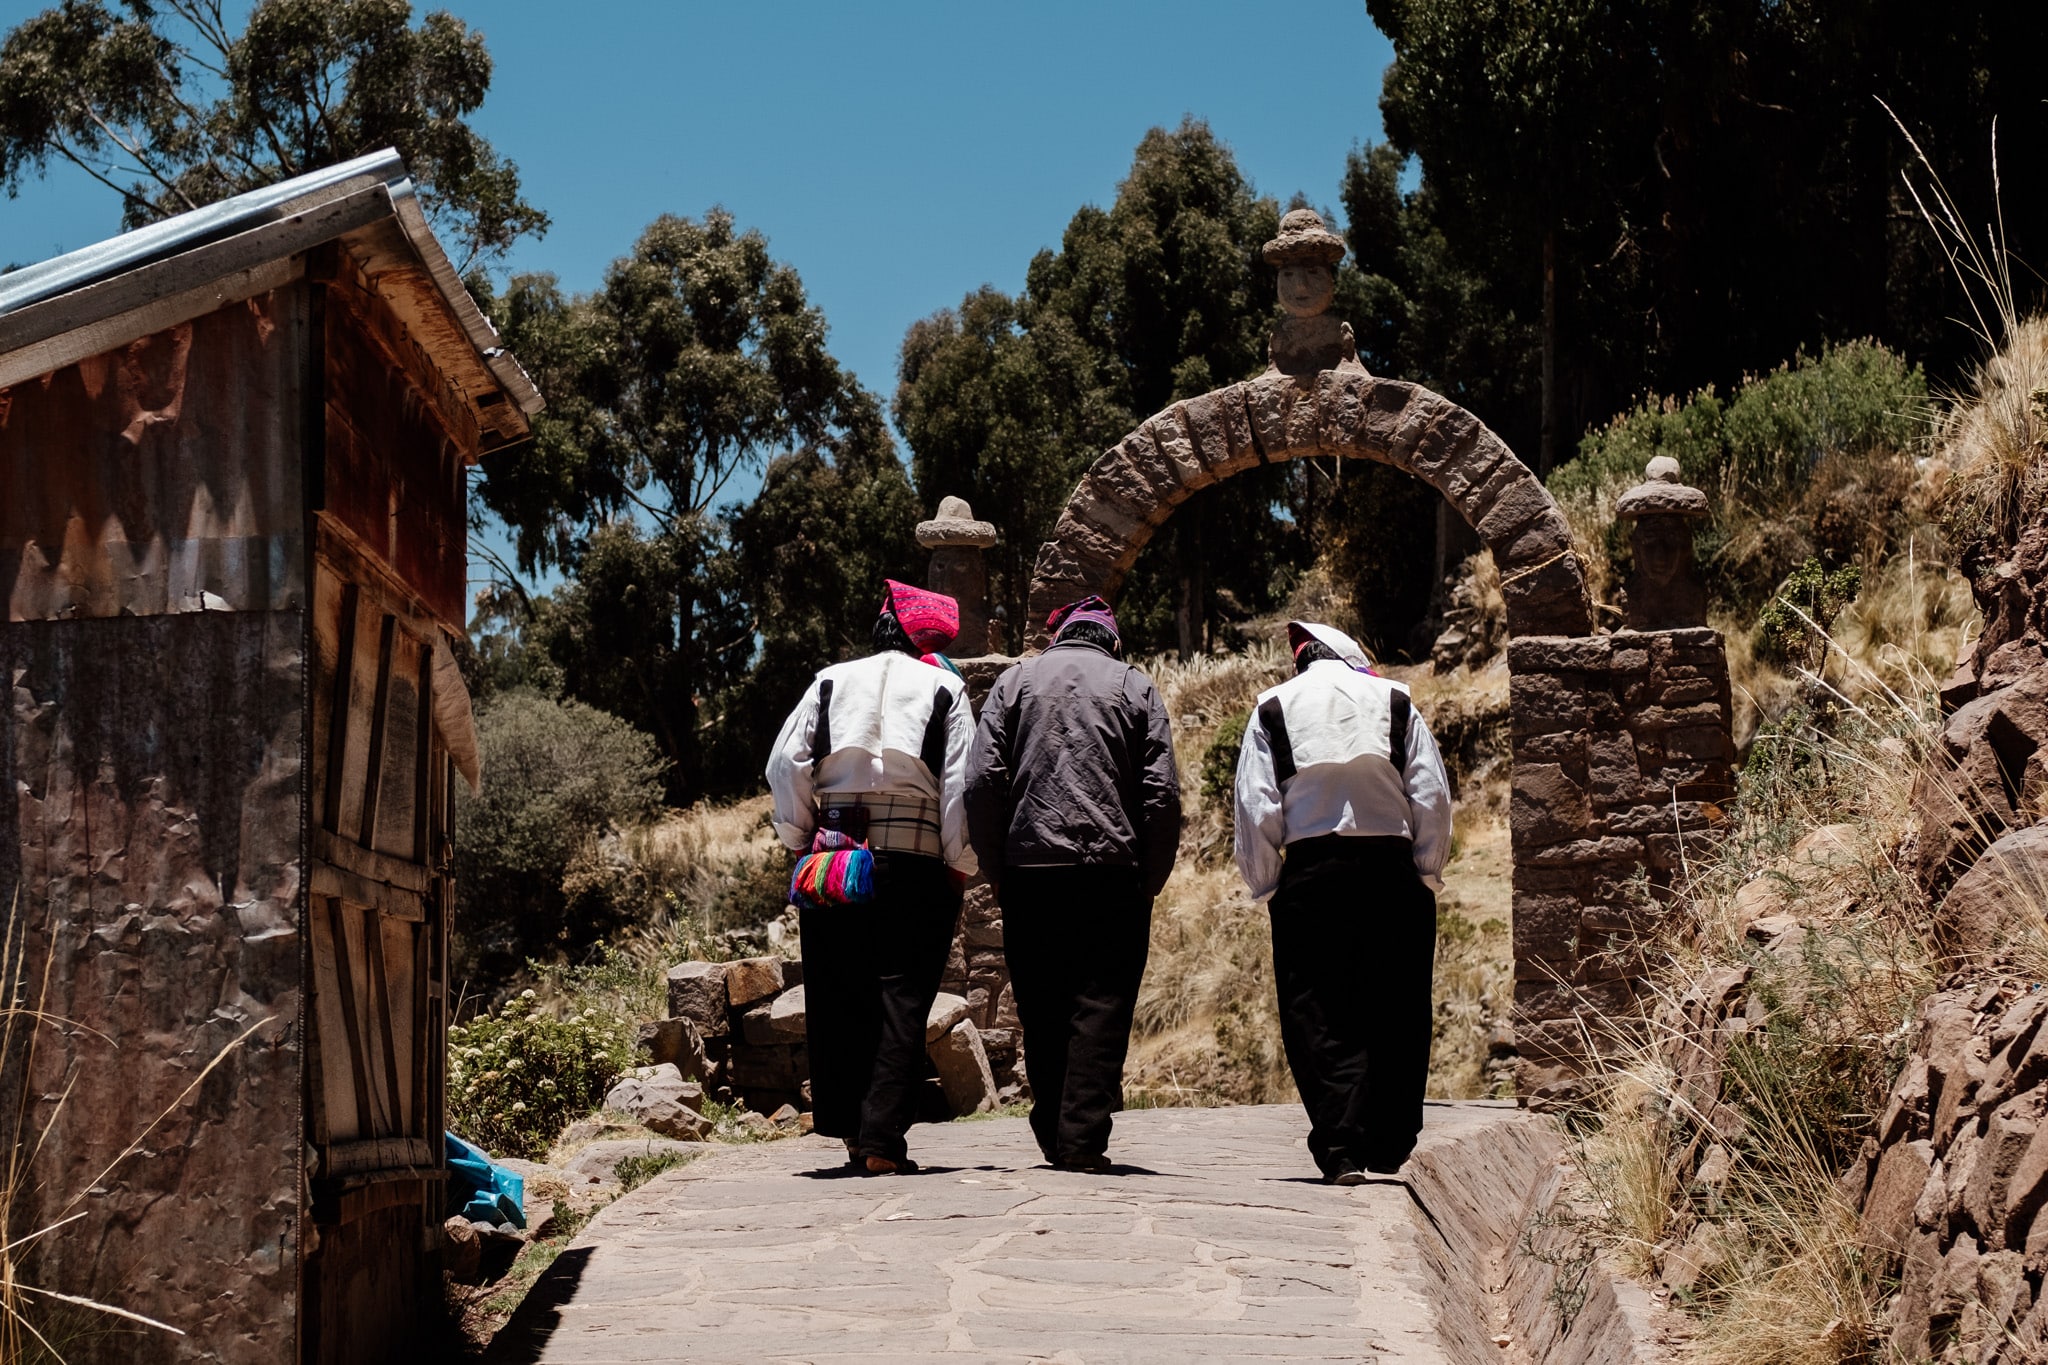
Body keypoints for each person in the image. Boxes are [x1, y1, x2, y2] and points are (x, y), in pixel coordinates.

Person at [766, 580, 978, 1175]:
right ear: (925, 638)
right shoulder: (946, 688)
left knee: (838, 992)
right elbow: (962, 783)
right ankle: (882, 1138)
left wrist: (801, 835)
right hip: (913, 864)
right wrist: (958, 860)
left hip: (833, 858)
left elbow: (785, 763)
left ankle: (853, 1133)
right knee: (902, 997)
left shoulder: (829, 681)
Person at [964, 596, 1181, 1172]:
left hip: (1031, 871)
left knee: (1041, 1004)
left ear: (1059, 635)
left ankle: (1053, 1129)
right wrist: (1151, 878)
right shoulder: (1136, 687)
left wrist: (997, 869)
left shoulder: (1014, 683)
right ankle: (1081, 1137)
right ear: (1111, 640)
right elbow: (1160, 793)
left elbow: (982, 781)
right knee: (1101, 1006)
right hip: (1113, 873)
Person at [1231, 621, 1452, 1185]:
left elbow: (1256, 804)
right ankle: (1389, 1139)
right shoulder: (1396, 700)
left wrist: (1268, 883)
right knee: (1398, 1004)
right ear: (1352, 657)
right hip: (1391, 870)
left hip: (1311, 873)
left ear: (1301, 659)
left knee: (1317, 1010)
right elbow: (1429, 793)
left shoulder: (1273, 707)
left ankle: (1340, 1148)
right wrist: (1425, 870)